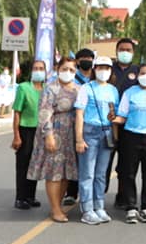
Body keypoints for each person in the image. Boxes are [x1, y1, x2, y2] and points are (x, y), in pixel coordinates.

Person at [26, 57, 81, 223]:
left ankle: (58, 205)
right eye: (64, 69)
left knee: (65, 173)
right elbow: (44, 113)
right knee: (54, 172)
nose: (68, 72)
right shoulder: (50, 89)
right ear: (58, 69)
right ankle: (55, 209)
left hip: (71, 135)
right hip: (55, 133)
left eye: (71, 70)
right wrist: (48, 135)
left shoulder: (78, 89)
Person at [113, 63, 146, 224]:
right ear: (137, 75)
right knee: (129, 173)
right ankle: (131, 207)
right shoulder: (130, 92)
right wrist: (112, 118)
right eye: (142, 73)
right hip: (131, 136)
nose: (145, 76)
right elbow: (122, 116)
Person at [74, 56, 120, 225]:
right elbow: (79, 114)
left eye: (106, 68)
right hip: (90, 132)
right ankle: (87, 209)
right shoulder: (86, 88)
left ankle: (99, 206)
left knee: (101, 174)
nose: (103, 71)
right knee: (87, 173)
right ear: (95, 69)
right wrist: (79, 139)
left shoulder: (113, 90)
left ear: (111, 70)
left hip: (106, 133)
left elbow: (114, 115)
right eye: (100, 67)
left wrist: (115, 136)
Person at [63, 48, 96, 206]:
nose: (86, 61)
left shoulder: (96, 78)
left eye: (89, 58)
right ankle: (71, 192)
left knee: (91, 162)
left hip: (93, 125)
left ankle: (92, 195)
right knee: (73, 159)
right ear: (77, 61)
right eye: (83, 58)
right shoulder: (72, 78)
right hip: (72, 123)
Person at [110, 37, 141, 210]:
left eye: (128, 50)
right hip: (109, 123)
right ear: (116, 51)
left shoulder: (138, 71)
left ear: (133, 52)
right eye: (122, 49)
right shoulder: (108, 69)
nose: (125, 52)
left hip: (129, 125)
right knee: (104, 163)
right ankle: (97, 198)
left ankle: (122, 196)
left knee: (125, 165)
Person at [12, 59, 46, 210]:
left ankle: (31, 196)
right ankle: (20, 197)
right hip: (26, 130)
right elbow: (17, 113)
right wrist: (16, 136)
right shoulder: (23, 88)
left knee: (36, 164)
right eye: (36, 68)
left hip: (41, 131)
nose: (38, 71)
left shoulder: (47, 89)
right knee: (23, 165)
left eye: (41, 68)